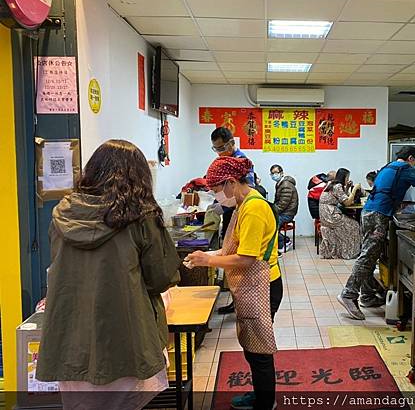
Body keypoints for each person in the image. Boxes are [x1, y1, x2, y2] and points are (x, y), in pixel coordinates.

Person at [36, 140, 182, 410]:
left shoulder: (63, 215)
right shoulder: (141, 217)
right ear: (139, 176)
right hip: (127, 338)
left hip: (70, 341)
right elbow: (161, 276)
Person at [184, 156, 282, 410]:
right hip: (251, 285)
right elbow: (232, 248)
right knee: (251, 345)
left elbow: (247, 258)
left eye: (216, 190)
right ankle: (260, 394)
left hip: (263, 285)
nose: (216, 196)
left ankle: (265, 402)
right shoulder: (241, 204)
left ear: (230, 182)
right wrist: (206, 256)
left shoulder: (254, 208)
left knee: (259, 350)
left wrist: (209, 260)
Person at [338, 146, 415, 319]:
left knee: (369, 254)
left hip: (368, 211)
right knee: (368, 255)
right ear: (411, 158)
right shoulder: (406, 169)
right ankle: (348, 294)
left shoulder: (388, 167)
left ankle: (367, 296)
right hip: (379, 214)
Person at [211, 126, 254, 315]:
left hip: (237, 211)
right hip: (234, 208)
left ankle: (239, 301)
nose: (219, 153)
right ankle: (236, 299)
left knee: (236, 252)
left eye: (221, 148)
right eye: (215, 149)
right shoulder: (223, 161)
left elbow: (244, 258)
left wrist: (207, 260)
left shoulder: (241, 161)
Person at [319, 168, 362, 260]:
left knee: (350, 222)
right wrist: (354, 189)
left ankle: (342, 251)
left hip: (325, 213)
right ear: (343, 177)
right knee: (354, 225)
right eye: (347, 177)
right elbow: (347, 203)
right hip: (330, 214)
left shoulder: (333, 184)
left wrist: (347, 188)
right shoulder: (337, 186)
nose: (348, 179)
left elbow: (341, 197)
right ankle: (349, 252)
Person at [270, 164, 299, 253]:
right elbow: (278, 202)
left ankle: (284, 242)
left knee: (271, 225)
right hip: (283, 212)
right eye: (272, 173)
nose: (274, 175)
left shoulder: (286, 185)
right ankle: (285, 240)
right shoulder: (280, 184)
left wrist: (272, 211)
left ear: (281, 173)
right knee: (269, 221)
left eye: (276, 172)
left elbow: (283, 204)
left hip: (287, 213)